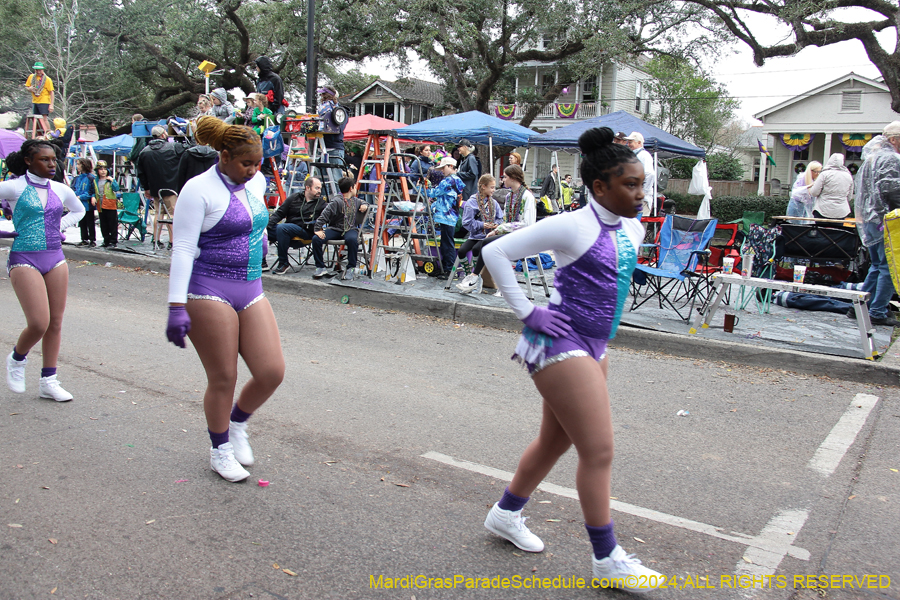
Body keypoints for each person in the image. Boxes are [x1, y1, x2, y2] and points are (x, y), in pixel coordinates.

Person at [479, 127, 663, 594]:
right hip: (557, 341)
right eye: (630, 185)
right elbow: (495, 251)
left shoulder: (634, 227)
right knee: (598, 451)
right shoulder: (572, 224)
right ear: (599, 186)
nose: (640, 194)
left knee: (553, 442)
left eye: (642, 184)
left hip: (595, 346)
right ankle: (607, 558)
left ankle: (505, 513)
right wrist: (528, 311)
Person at [166, 116, 285, 483]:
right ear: (224, 156)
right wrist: (175, 306)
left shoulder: (257, 181)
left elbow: (254, 220)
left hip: (251, 287)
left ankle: (236, 424)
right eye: (246, 163)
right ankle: (220, 451)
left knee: (271, 372)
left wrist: (260, 238)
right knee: (224, 376)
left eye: (258, 163)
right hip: (208, 288)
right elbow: (183, 248)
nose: (253, 170)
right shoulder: (197, 189)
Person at [1, 139, 84, 401]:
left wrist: (61, 226)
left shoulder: (60, 188)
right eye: (44, 160)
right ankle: (17, 358)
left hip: (55, 258)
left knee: (55, 323)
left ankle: (49, 381)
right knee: (39, 323)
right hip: (24, 257)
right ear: (28, 161)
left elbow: (79, 210)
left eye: (53, 160)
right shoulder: (13, 187)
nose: (52, 164)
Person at [458, 164, 537, 293]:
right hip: (509, 235)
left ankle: (476, 278)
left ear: (512, 178)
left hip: (523, 237)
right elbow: (505, 220)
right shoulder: (509, 196)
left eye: (505, 177)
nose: (503, 180)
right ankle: (475, 277)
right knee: (486, 243)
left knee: (486, 244)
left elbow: (527, 224)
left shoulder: (527, 197)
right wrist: (495, 231)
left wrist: (498, 229)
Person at [850, 126, 900, 326]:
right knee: (888, 266)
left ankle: (859, 307)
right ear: (893, 139)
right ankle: (877, 311)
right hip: (886, 219)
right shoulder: (891, 159)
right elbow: (892, 191)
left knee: (878, 265)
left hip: (872, 219)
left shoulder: (872, 158)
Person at [312, 177, 369, 280]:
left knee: (352, 240)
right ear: (351, 188)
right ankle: (320, 267)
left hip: (350, 229)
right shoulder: (336, 201)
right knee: (316, 239)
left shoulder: (355, 201)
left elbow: (366, 203)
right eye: (355, 187)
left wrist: (365, 205)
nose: (356, 189)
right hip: (335, 229)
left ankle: (350, 267)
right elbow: (323, 216)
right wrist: (317, 229)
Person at [455, 174, 504, 293]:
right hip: (475, 235)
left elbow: (500, 218)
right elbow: (466, 222)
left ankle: (477, 278)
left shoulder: (494, 203)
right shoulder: (472, 203)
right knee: (461, 251)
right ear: (483, 187)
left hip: (487, 236)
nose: (493, 190)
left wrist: (495, 225)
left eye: (494, 187)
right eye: (491, 187)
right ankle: (469, 275)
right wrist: (482, 225)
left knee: (477, 249)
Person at [269, 177, 326, 275]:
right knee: (262, 230)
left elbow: (330, 216)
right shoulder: (294, 197)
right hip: (287, 231)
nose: (319, 191)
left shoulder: (321, 203)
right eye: (317, 188)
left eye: (320, 188)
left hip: (306, 231)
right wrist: (266, 226)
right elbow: (279, 213)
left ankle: (283, 262)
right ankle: (261, 261)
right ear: (307, 188)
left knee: (282, 228)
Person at [138, 126, 180, 250]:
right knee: (172, 214)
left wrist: (146, 188)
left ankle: (156, 239)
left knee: (158, 213)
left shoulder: (145, 151)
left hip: (155, 188)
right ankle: (172, 241)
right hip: (171, 187)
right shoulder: (173, 147)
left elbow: (141, 173)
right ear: (163, 135)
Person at [426, 156, 465, 276]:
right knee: (446, 243)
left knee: (447, 244)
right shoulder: (456, 180)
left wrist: (422, 187)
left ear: (451, 166)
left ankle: (449, 270)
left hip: (446, 216)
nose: (442, 171)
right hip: (451, 216)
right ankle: (445, 268)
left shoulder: (448, 181)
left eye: (444, 168)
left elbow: (433, 193)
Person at [809, 153, 853, 219]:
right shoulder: (848, 176)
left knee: (820, 226)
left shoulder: (824, 174)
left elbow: (814, 192)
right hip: (841, 211)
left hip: (822, 209)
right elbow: (849, 197)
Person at [624, 132, 656, 217]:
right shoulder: (633, 156)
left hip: (641, 200)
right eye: (628, 142)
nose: (628, 144)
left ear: (639, 142)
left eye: (631, 142)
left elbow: (650, 174)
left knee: (640, 222)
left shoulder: (644, 155)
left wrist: (643, 192)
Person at [93, 160, 120, 248]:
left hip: (110, 204)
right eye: (101, 169)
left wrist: (112, 181)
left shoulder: (110, 180)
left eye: (105, 169)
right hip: (100, 205)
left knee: (112, 224)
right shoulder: (95, 181)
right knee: (103, 224)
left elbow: (116, 189)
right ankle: (106, 240)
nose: (103, 171)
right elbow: (93, 191)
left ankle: (113, 241)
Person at [317, 86, 348, 164]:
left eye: (323, 95)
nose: (322, 97)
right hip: (321, 147)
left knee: (335, 172)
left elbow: (339, 129)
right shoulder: (321, 113)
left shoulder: (340, 112)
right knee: (321, 172)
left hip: (334, 148)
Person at [24, 62, 54, 137]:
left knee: (44, 118)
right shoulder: (31, 77)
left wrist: (51, 105)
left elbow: (51, 92)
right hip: (35, 101)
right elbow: (27, 87)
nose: (38, 72)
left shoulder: (47, 79)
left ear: (43, 70)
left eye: (40, 70)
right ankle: (39, 135)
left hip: (44, 101)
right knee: (36, 119)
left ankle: (49, 134)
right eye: (36, 70)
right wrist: (29, 89)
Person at [72, 158, 97, 247]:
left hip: (88, 204)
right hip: (79, 204)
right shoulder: (77, 178)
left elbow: (92, 191)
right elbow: (73, 188)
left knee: (90, 222)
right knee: (82, 222)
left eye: (79, 164)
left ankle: (92, 239)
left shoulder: (91, 177)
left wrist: (81, 196)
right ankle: (84, 239)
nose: (77, 166)